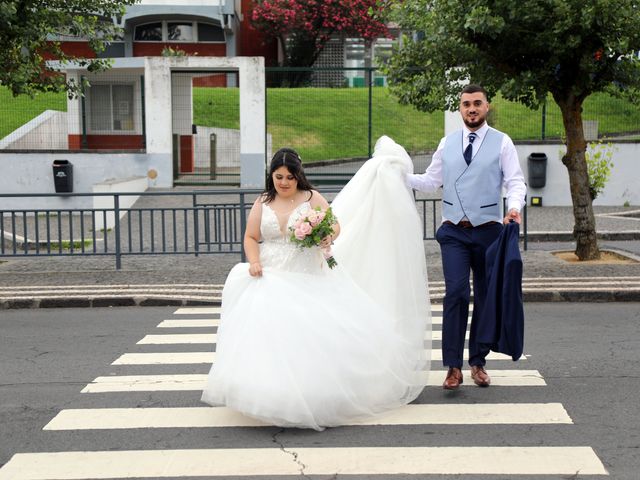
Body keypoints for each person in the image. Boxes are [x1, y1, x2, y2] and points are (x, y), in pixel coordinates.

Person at [201, 144, 431, 430]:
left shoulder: (311, 198)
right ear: (271, 176)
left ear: (299, 176)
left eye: (289, 177)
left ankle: (310, 394)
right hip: (270, 274)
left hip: (305, 272)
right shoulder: (262, 202)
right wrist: (254, 261)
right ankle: (272, 393)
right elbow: (250, 236)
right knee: (271, 336)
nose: (284, 183)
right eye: (279, 177)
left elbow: (335, 226)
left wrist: (325, 237)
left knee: (306, 335)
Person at [406, 84, 527, 390]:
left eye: (477, 103)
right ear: (459, 109)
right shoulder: (447, 143)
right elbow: (431, 182)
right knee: (456, 293)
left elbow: (515, 182)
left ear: (487, 107)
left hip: (489, 232)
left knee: (485, 298)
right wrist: (393, 173)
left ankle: (478, 362)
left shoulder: (502, 143)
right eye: (465, 104)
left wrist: (514, 208)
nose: (471, 109)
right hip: (454, 232)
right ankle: (452, 367)